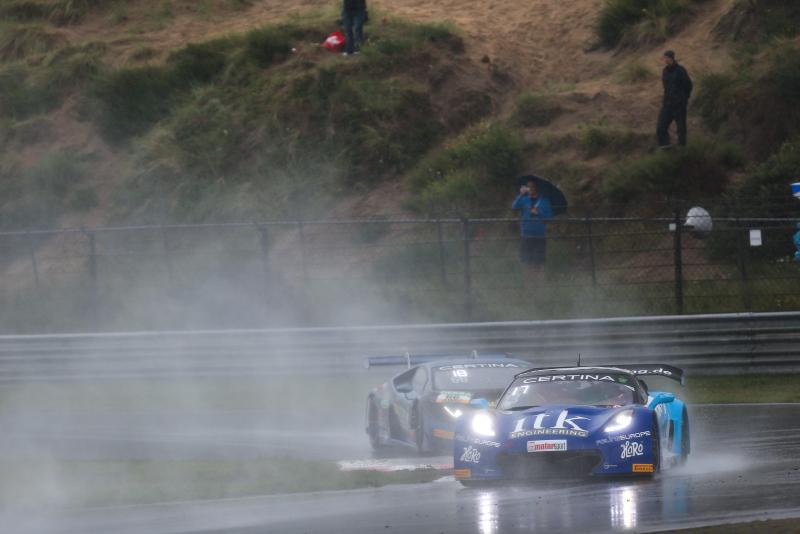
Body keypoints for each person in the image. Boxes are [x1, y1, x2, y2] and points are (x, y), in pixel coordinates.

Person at [656, 50, 693, 148]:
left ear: (671, 58)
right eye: (664, 58)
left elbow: (688, 85)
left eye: (666, 58)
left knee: (681, 127)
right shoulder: (665, 71)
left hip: (679, 104)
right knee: (661, 126)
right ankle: (665, 147)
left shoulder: (680, 70)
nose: (664, 60)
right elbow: (666, 87)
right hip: (667, 104)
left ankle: (682, 148)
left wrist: (684, 98)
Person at [512, 180, 553, 267]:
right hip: (526, 235)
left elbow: (549, 217)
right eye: (528, 186)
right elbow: (514, 206)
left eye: (532, 186)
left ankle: (538, 276)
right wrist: (521, 194)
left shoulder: (544, 201)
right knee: (526, 263)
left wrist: (538, 213)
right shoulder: (524, 199)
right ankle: (528, 276)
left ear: (537, 188)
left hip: (540, 235)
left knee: (539, 264)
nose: (530, 188)